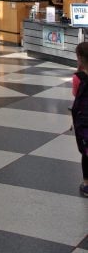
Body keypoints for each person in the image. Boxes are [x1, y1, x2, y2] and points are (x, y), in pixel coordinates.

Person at [71, 42, 88, 197]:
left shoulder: (78, 78)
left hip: (84, 121)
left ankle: (86, 183)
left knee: (86, 153)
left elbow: (76, 95)